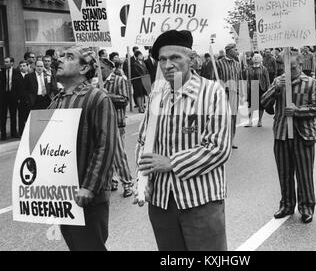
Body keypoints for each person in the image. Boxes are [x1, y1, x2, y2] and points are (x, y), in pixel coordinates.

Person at [134, 30, 232, 251]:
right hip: (161, 202)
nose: (168, 65)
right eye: (162, 59)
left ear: (192, 59)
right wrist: (141, 179)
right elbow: (142, 142)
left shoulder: (212, 92)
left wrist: (171, 163)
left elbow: (219, 148)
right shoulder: (157, 94)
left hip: (200, 201)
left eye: (175, 57)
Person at [48, 46, 117, 251]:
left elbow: (105, 145)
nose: (59, 60)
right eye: (61, 56)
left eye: (69, 57)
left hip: (87, 196)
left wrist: (90, 186)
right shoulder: (56, 101)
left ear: (84, 68)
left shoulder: (97, 97)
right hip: (63, 196)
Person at [261, 53, 316, 224]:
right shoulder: (278, 81)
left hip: (303, 134)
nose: (289, 71)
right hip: (281, 134)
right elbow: (264, 103)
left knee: (304, 174)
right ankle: (287, 204)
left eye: (293, 68)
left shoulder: (311, 83)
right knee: (284, 173)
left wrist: (298, 111)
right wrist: (276, 90)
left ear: (301, 65)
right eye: (285, 68)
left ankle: (306, 207)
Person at [100, 57, 133, 198]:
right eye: (97, 68)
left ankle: (127, 184)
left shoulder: (119, 80)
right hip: (101, 123)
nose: (98, 71)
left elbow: (125, 100)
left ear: (109, 68)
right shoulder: (96, 83)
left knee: (119, 156)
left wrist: (107, 95)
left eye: (101, 68)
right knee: (105, 155)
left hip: (116, 123)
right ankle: (112, 181)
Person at [214, 43, 243, 149]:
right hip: (222, 95)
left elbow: (240, 79)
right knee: (222, 117)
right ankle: (221, 140)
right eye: (235, 49)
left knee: (233, 117)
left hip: (234, 94)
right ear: (229, 51)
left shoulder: (237, 64)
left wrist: (241, 92)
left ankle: (231, 140)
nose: (237, 51)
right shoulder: (219, 63)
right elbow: (214, 79)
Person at [244, 53, 270, 128]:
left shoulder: (263, 68)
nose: (256, 61)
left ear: (260, 60)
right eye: (255, 59)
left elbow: (267, 79)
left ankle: (260, 121)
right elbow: (247, 78)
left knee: (261, 105)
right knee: (251, 105)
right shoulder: (249, 68)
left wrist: (268, 89)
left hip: (261, 88)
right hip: (252, 88)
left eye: (257, 59)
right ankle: (250, 121)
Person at [0, 57, 19, 140]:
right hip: (3, 96)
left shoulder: (16, 72)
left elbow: (19, 85)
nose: (5, 63)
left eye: (7, 62)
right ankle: (3, 134)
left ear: (12, 63)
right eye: (5, 62)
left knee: (13, 115)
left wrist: (18, 96)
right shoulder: (1, 72)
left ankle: (13, 133)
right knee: (2, 116)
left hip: (13, 96)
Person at [16, 61, 30, 136]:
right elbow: (15, 89)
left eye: (24, 66)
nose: (22, 67)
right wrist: (17, 99)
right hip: (21, 99)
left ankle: (29, 132)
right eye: (21, 66)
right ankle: (21, 133)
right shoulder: (17, 77)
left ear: (27, 66)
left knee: (29, 116)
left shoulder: (31, 76)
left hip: (29, 99)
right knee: (21, 116)